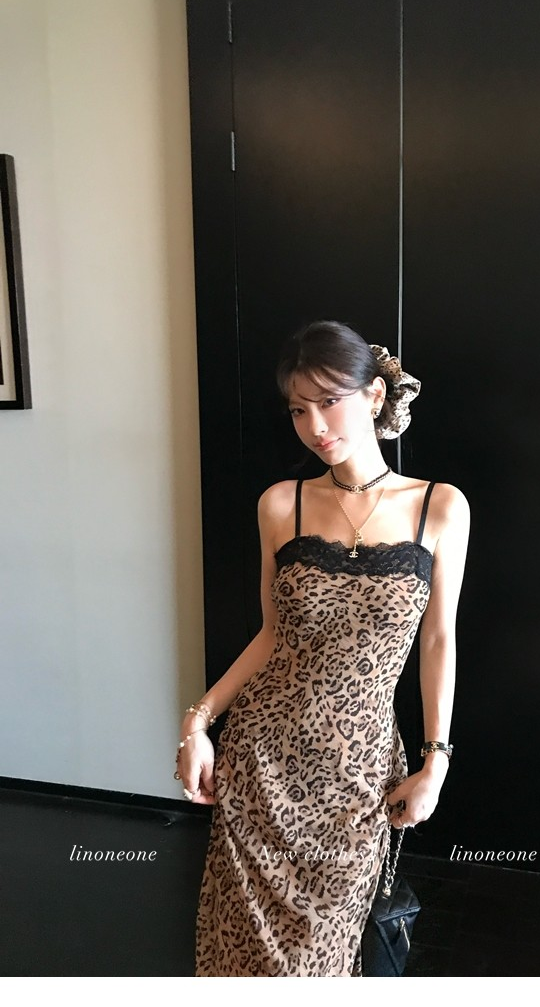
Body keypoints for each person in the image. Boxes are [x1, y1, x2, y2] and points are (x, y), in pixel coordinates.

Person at [175, 319, 470, 977]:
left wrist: (437, 761)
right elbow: (271, 636)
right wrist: (198, 722)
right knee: (242, 951)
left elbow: (438, 640)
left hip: (357, 776)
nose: (314, 426)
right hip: (260, 764)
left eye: (329, 401)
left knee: (324, 954)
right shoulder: (282, 505)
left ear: (373, 396)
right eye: (297, 410)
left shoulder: (440, 507)